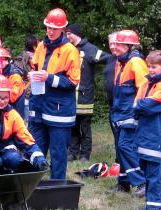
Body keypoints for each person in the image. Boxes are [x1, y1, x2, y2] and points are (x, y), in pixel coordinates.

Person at [28, 8, 81, 180]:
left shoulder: (70, 50)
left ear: (63, 30)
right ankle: (31, 185)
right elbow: (35, 67)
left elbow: (73, 82)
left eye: (54, 28)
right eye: (48, 27)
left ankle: (57, 186)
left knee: (58, 153)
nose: (50, 31)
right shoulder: (41, 46)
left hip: (60, 110)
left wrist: (49, 78)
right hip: (39, 105)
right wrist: (32, 75)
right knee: (35, 148)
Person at [133, 50, 161, 210]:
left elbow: (145, 105)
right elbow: (137, 104)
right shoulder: (146, 83)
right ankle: (150, 203)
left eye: (154, 67)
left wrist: (140, 104)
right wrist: (140, 105)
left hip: (157, 134)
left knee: (154, 172)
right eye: (149, 66)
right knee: (145, 169)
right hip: (145, 132)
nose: (150, 69)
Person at [108, 29, 147, 196]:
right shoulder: (120, 61)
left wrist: (137, 112)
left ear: (129, 46)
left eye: (118, 44)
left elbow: (143, 89)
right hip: (119, 112)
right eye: (114, 43)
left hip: (130, 113)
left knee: (125, 146)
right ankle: (123, 183)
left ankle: (142, 182)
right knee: (120, 148)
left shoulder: (136, 62)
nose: (114, 47)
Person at [65, 23, 110, 163]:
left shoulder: (89, 49)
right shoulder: (68, 49)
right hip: (70, 96)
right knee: (72, 127)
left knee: (84, 128)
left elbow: (108, 58)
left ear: (76, 33)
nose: (66, 37)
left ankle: (85, 155)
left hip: (85, 96)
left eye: (68, 34)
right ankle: (72, 153)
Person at [14, 35, 40, 123]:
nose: (41, 44)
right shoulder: (21, 59)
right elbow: (17, 74)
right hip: (26, 93)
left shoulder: (41, 57)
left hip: (38, 93)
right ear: (34, 45)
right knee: (26, 121)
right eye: (38, 42)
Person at [0, 47, 26, 117]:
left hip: (14, 115)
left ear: (6, 61)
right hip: (2, 113)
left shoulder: (14, 76)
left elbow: (12, 97)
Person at [104, 32, 119, 164]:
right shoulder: (110, 59)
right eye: (111, 44)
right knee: (116, 134)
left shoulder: (128, 60)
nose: (113, 46)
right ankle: (119, 160)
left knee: (124, 137)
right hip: (112, 104)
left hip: (124, 105)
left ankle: (126, 162)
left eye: (116, 43)